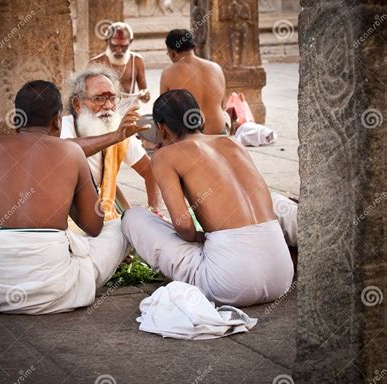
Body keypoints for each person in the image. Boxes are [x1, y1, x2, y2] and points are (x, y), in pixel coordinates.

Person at [0, 80, 128, 315]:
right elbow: (94, 227)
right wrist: (69, 198)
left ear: (18, 119)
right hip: (58, 292)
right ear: (56, 120)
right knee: (120, 226)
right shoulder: (72, 152)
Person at [122, 90, 294, 307]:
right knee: (276, 202)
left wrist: (201, 238)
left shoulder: (164, 156)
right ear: (199, 118)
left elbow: (184, 228)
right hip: (281, 278)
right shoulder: (232, 143)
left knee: (132, 217)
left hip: (231, 284)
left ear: (161, 128)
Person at [61, 65, 162, 220]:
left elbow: (150, 172)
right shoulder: (63, 128)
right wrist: (115, 136)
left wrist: (154, 210)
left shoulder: (118, 131)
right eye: (99, 99)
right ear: (77, 104)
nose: (108, 106)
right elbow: (69, 150)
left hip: (102, 206)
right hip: (66, 210)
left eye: (112, 98)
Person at [160, 29, 229, 135]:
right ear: (194, 47)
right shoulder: (216, 68)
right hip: (219, 132)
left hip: (189, 138)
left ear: (172, 52)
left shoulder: (167, 74)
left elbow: (163, 113)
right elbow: (223, 105)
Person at [89, 22, 150, 112]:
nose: (119, 50)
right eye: (114, 46)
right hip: (103, 113)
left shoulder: (137, 61)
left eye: (123, 46)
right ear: (107, 41)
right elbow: (87, 96)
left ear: (130, 42)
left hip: (129, 113)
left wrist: (144, 95)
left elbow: (145, 95)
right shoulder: (95, 63)